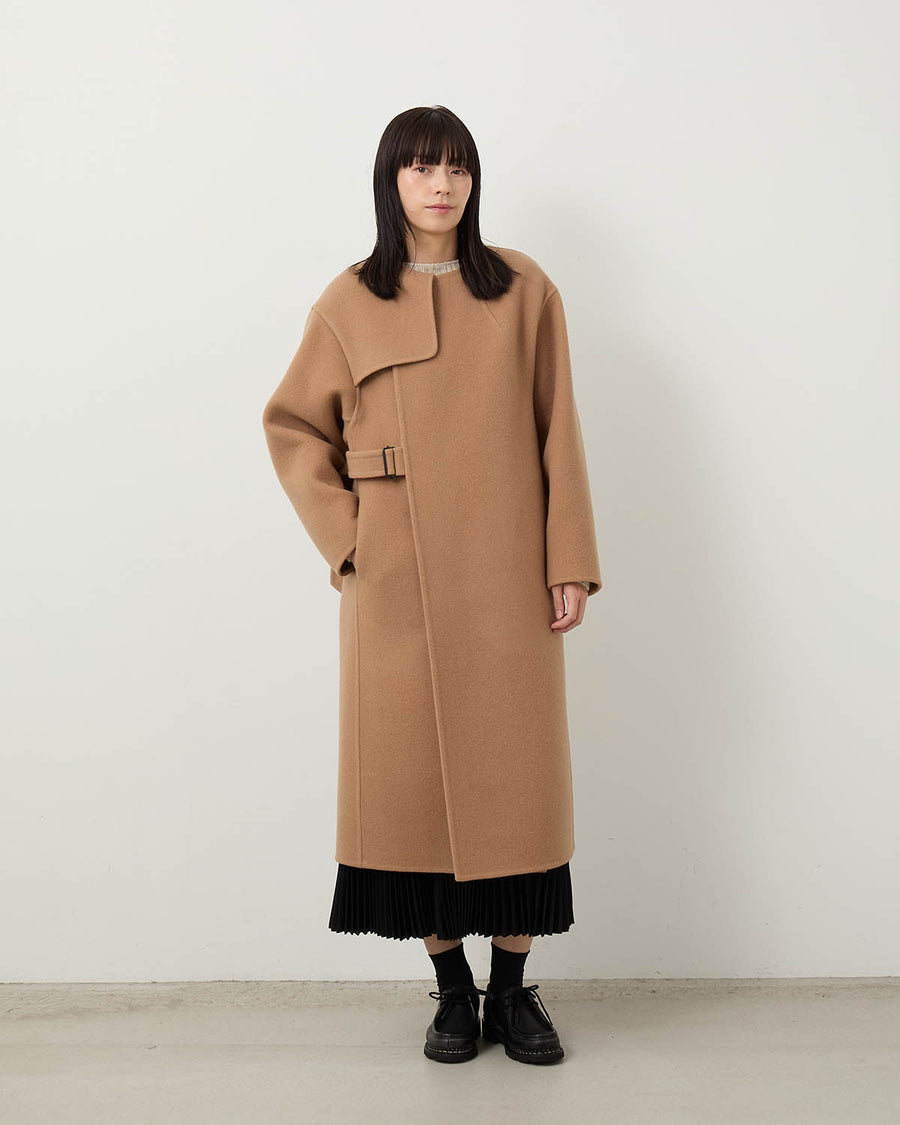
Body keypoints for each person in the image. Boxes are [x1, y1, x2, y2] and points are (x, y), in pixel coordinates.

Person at [262, 105, 602, 1066]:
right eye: (421, 168)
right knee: (409, 794)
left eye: (456, 167)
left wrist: (568, 560)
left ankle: (512, 991)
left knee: (520, 789)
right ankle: (453, 991)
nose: (441, 184)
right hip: (396, 583)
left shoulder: (526, 290)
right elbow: (293, 426)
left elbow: (559, 431)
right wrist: (351, 540)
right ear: (392, 182)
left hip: (506, 576)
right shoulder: (348, 300)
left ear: (473, 181)